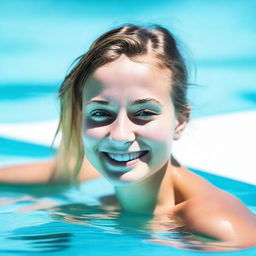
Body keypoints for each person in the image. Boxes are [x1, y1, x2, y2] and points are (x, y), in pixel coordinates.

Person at [0, 24, 256, 249]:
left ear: (180, 121)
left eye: (144, 112)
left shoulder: (219, 228)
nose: (120, 136)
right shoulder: (88, 170)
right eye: (100, 113)